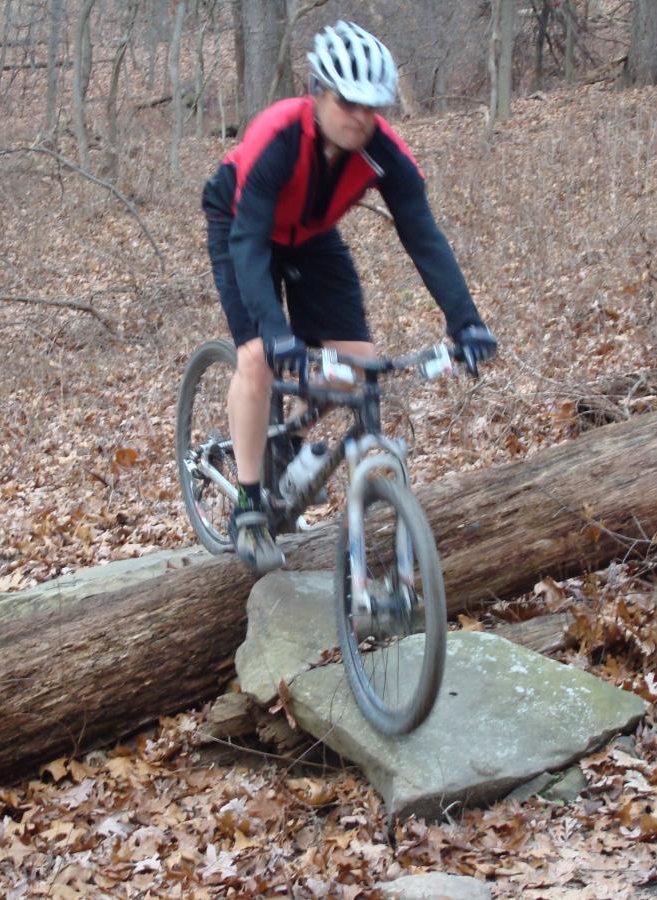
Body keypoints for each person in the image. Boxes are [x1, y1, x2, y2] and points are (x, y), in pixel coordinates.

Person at [201, 20, 498, 573]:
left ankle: (290, 441)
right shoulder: (279, 135)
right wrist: (274, 329)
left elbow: (422, 235)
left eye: (373, 105)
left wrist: (466, 322)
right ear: (319, 93)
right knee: (259, 357)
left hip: (312, 239)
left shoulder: (386, 152)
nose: (361, 117)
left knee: (357, 368)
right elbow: (247, 242)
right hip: (241, 228)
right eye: (348, 102)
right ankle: (246, 501)